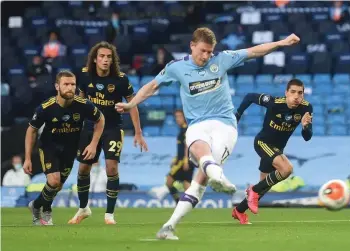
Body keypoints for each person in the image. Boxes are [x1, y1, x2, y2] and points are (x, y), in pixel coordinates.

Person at [115, 27, 300, 240]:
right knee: (201, 152)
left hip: (225, 126)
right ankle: (215, 178)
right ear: (192, 46)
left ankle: (174, 220)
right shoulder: (176, 68)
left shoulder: (222, 60)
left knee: (199, 181)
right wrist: (132, 104)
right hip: (197, 125)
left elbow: (255, 51)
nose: (206, 56)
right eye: (202, 51)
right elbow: (152, 86)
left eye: (209, 52)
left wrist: (281, 43)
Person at [68, 41, 148, 225]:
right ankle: (83, 209)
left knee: (111, 168)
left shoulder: (120, 79)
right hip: (89, 127)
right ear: (95, 59)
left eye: (109, 57)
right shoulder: (84, 75)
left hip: (112, 128)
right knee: (83, 169)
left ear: (113, 60)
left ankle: (109, 214)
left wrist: (138, 132)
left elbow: (133, 104)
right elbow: (80, 101)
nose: (105, 60)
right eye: (102, 56)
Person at [23, 70, 105, 225]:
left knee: (58, 186)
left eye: (73, 84)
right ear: (57, 86)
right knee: (53, 181)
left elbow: (100, 119)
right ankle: (43, 208)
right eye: (66, 84)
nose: (70, 88)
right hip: (49, 147)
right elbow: (31, 130)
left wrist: (93, 144)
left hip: (70, 149)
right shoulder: (46, 108)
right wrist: (27, 158)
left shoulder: (83, 105)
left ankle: (38, 206)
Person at [232, 79, 313, 224]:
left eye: (300, 93)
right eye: (293, 92)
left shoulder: (306, 109)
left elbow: (307, 138)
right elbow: (250, 96)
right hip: (262, 143)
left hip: (277, 149)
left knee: (264, 186)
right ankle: (253, 191)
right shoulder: (275, 102)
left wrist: (306, 127)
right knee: (287, 169)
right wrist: (237, 115)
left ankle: (239, 211)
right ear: (286, 93)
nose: (296, 96)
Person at [166, 109, 196, 203]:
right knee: (187, 184)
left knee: (169, 181)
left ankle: (178, 202)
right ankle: (187, 204)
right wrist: (175, 158)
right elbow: (181, 148)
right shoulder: (183, 130)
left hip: (184, 161)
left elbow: (187, 146)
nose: (177, 119)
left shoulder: (186, 130)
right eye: (176, 117)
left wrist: (186, 160)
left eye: (179, 117)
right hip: (184, 160)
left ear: (184, 117)